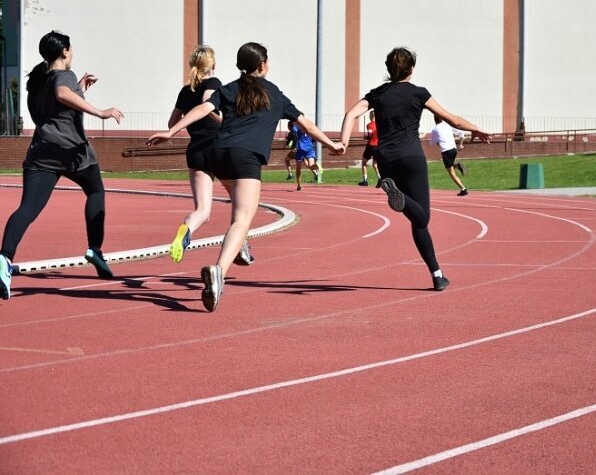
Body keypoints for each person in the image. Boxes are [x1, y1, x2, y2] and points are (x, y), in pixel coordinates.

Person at [147, 42, 342, 311]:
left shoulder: (229, 88)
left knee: (233, 207)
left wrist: (171, 132)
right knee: (242, 219)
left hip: (217, 155)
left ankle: (239, 246)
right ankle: (219, 270)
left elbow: (203, 109)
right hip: (245, 157)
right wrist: (332, 145)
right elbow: (305, 123)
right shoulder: (273, 93)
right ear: (263, 65)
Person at [339, 46, 490, 291]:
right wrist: (475, 128)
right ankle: (402, 201)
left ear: (388, 70)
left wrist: (344, 142)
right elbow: (452, 119)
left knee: (418, 222)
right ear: (411, 69)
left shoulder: (377, 94)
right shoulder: (418, 93)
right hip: (411, 158)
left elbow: (351, 113)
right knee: (423, 217)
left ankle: (437, 274)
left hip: (386, 160)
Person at [0, 31, 123, 300]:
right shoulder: (62, 76)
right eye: (72, 49)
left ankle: (3, 259)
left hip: (42, 153)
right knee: (95, 191)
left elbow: (59, 100)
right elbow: (63, 92)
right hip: (73, 153)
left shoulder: (37, 81)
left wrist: (79, 87)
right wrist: (99, 111)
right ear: (65, 51)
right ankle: (95, 249)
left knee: (27, 209)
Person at [165, 45, 254, 266]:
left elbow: (171, 123)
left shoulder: (185, 91)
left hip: (195, 151)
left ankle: (186, 230)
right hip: (218, 148)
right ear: (213, 65)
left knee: (202, 211)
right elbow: (209, 104)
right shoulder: (213, 84)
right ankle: (241, 246)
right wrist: (225, 122)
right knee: (241, 203)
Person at [430, 113, 469, 196]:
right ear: (442, 119)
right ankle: (458, 166)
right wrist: (461, 144)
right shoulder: (448, 126)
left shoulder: (435, 130)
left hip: (446, 151)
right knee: (450, 167)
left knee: (451, 172)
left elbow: (432, 143)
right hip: (454, 149)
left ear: (434, 120)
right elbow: (461, 132)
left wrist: (437, 141)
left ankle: (463, 189)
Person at [292, 119, 321, 191]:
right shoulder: (308, 126)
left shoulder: (296, 126)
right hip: (307, 148)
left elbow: (294, 135)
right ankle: (299, 185)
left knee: (299, 168)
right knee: (309, 165)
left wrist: (294, 146)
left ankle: (299, 185)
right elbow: (314, 137)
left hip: (302, 149)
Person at [358, 110, 381, 187]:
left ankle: (365, 180)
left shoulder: (369, 125)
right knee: (375, 164)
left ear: (371, 116)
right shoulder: (380, 124)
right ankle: (380, 178)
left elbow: (370, 135)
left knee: (364, 162)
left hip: (371, 146)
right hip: (378, 146)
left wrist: (366, 137)